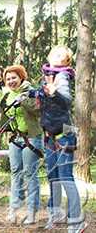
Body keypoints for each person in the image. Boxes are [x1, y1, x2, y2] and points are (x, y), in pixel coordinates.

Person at [0, 65, 42, 225]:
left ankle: (31, 212)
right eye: (8, 79)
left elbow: (39, 110)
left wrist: (24, 101)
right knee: (15, 173)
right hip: (15, 138)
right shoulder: (6, 96)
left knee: (30, 174)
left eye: (14, 77)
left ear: (21, 77)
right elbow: (2, 117)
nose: (11, 81)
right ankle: (14, 210)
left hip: (32, 138)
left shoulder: (31, 92)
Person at [35, 47, 85, 232]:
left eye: (62, 56)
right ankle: (55, 216)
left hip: (65, 133)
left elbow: (66, 101)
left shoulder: (62, 77)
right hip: (50, 135)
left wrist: (54, 92)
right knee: (53, 177)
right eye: (55, 54)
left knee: (65, 177)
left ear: (66, 62)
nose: (57, 57)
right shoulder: (48, 76)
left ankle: (77, 222)